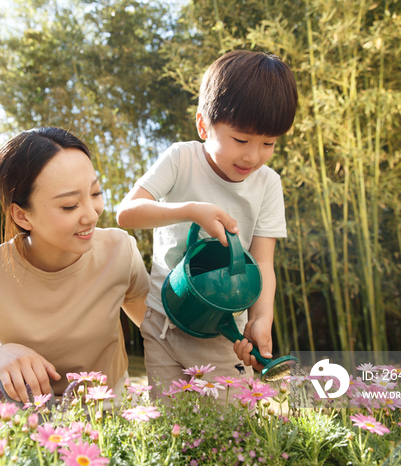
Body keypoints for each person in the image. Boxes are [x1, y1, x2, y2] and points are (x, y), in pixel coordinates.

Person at [117, 50, 298, 398]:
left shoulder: (268, 184)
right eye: (241, 140)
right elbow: (128, 212)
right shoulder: (181, 159)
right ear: (203, 125)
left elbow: (262, 260)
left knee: (226, 426)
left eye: (269, 144)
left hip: (223, 325)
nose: (253, 156)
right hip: (163, 320)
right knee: (168, 422)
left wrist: (261, 319)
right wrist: (191, 210)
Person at [0, 127, 149, 422]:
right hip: (28, 428)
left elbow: (161, 332)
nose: (91, 214)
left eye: (95, 193)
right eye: (69, 205)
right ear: (22, 215)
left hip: (109, 421)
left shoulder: (119, 251)